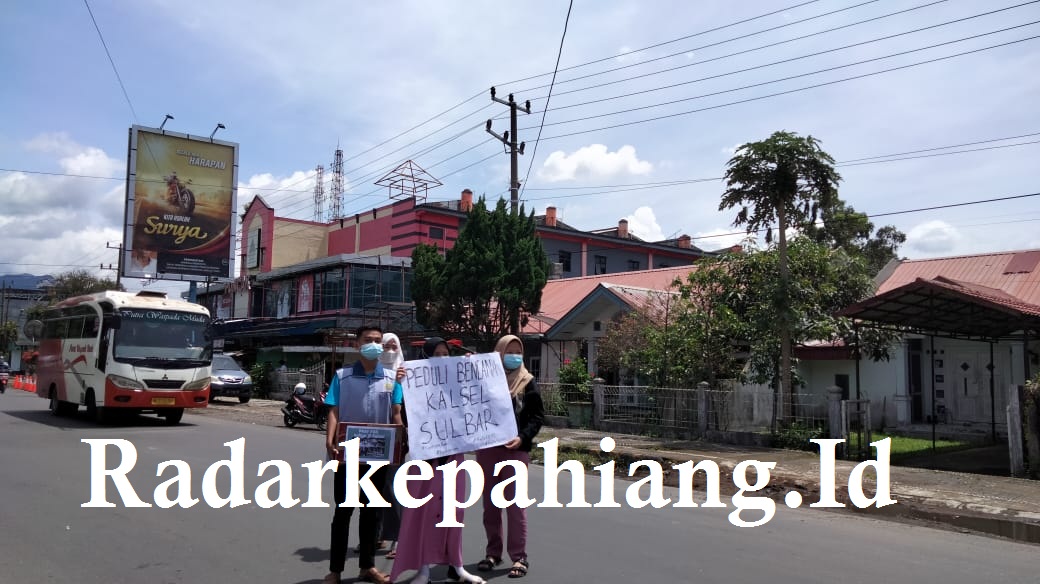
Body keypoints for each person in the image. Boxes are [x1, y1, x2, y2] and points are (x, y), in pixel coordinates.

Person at [389, 337, 486, 584]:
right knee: (423, 514)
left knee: (453, 513)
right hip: (426, 458)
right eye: (437, 353)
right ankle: (423, 568)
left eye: (446, 353)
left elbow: (477, 399)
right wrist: (402, 380)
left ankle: (457, 565)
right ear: (426, 356)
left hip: (453, 456)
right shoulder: (411, 380)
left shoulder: (456, 381)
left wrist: (469, 367)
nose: (442, 357)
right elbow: (403, 413)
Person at [323, 324, 396, 584]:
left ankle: (367, 566)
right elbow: (333, 409)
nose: (374, 344)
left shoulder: (391, 378)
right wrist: (329, 439)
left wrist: (402, 438)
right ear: (357, 344)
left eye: (378, 340)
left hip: (378, 458)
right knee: (343, 513)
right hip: (347, 455)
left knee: (372, 513)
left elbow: (396, 413)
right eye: (368, 340)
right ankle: (335, 570)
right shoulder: (342, 376)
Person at [474, 334, 544, 579]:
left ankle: (519, 556)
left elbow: (537, 417)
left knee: (515, 506)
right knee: (490, 506)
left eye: (518, 351)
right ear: (498, 353)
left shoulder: (527, 381)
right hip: (488, 451)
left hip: (516, 451)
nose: (515, 356)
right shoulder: (484, 381)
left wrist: (523, 438)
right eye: (509, 351)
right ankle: (493, 553)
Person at [375, 332, 406, 560]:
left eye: (393, 346)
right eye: (385, 346)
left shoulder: (408, 374)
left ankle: (399, 539)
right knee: (375, 489)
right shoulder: (372, 373)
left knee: (395, 488)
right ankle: (377, 535)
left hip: (398, 439)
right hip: (373, 438)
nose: (389, 350)